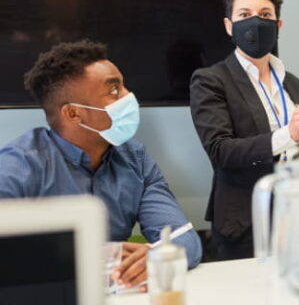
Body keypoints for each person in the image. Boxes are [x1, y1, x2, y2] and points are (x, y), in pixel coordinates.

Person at [0, 40, 202, 290]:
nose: (129, 97)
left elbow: (184, 237)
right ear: (74, 113)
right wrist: (92, 258)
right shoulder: (18, 165)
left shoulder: (135, 159)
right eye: (114, 90)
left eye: (123, 85)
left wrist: (157, 256)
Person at [189, 0, 299, 261]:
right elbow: (220, 151)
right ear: (229, 26)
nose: (255, 22)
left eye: (265, 15)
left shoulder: (292, 82)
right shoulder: (211, 80)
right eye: (244, 15)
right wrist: (290, 133)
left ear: (278, 25)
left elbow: (297, 151)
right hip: (246, 223)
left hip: (298, 217)